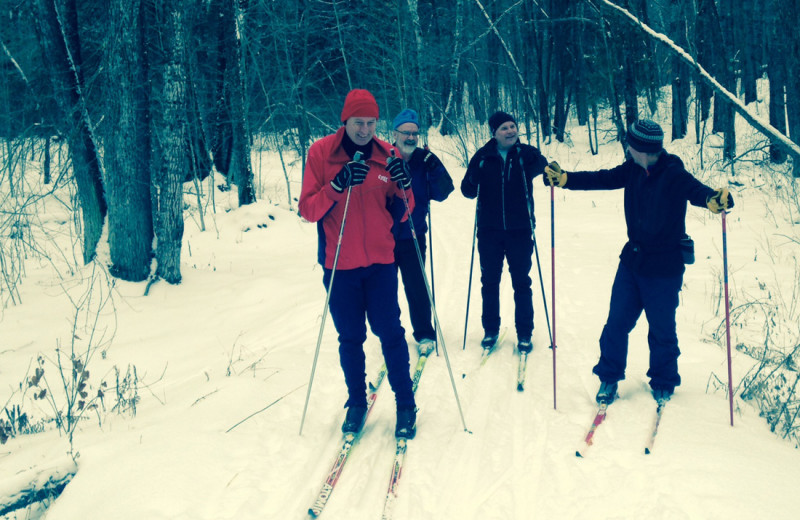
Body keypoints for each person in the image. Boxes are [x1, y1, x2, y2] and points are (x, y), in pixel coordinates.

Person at [543, 119, 735, 404]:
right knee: (616, 324)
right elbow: (602, 179)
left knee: (661, 330)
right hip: (632, 262)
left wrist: (713, 200)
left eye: (630, 145)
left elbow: (697, 191)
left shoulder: (673, 173)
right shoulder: (632, 169)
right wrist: (566, 179)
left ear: (641, 148)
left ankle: (664, 381)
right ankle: (608, 378)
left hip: (664, 268)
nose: (627, 148)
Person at [298, 89, 418, 439]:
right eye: (357, 123)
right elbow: (308, 210)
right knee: (350, 337)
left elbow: (404, 207)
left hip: (381, 261)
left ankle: (406, 404)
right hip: (340, 265)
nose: (364, 130)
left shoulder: (388, 153)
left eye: (370, 123)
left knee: (390, 334)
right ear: (345, 121)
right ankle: (356, 402)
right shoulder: (322, 153)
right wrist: (336, 186)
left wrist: (405, 185)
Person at [460, 111, 548, 354]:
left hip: (520, 230)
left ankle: (525, 333)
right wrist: (474, 175)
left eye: (512, 126)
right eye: (504, 128)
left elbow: (547, 171)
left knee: (522, 282)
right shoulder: (483, 156)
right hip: (489, 232)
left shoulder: (526, 154)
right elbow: (467, 190)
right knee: (490, 282)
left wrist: (550, 170)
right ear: (494, 133)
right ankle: (490, 330)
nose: (510, 131)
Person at [390, 109, 454, 356]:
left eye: (415, 133)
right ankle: (392, 334)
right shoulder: (384, 157)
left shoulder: (424, 159)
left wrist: (434, 166)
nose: (411, 137)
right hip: (383, 238)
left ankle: (425, 333)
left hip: (414, 236)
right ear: (395, 133)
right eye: (406, 132)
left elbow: (443, 193)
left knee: (417, 287)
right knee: (385, 290)